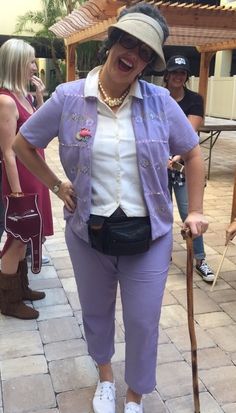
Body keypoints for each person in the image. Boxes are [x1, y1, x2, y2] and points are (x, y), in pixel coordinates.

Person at [13, 4, 208, 413]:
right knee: (97, 313)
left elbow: (192, 154)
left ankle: (135, 394)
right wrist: (55, 184)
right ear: (112, 43)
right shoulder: (69, 97)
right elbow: (22, 145)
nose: (131, 53)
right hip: (88, 233)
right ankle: (105, 377)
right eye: (126, 41)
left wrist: (195, 211)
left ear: (147, 63)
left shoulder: (158, 103)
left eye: (142, 51)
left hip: (149, 234)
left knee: (142, 321)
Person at [0, 39, 53, 320]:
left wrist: (40, 97)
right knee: (17, 237)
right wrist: (17, 194)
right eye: (31, 61)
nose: (35, 66)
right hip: (19, 178)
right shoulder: (5, 100)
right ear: (17, 63)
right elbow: (8, 152)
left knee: (28, 233)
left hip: (34, 173)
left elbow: (40, 131)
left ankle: (20, 288)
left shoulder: (22, 96)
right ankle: (8, 300)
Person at [164, 55, 215, 283]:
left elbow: (188, 135)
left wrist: (174, 157)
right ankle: (161, 256)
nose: (178, 76)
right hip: (158, 165)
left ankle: (200, 259)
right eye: (174, 72)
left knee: (190, 213)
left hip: (184, 166)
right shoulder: (157, 96)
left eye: (182, 73)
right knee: (160, 212)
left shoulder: (194, 99)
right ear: (167, 74)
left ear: (186, 76)